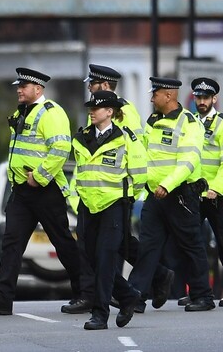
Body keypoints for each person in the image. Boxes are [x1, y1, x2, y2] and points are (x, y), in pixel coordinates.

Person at [62, 64, 174, 315]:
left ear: (103, 85)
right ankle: (152, 278)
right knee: (113, 247)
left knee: (111, 248)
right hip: (94, 196)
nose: (89, 88)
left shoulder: (124, 111)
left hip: (116, 194)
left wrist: (130, 193)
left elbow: (132, 149)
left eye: (92, 84)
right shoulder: (96, 113)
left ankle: (100, 296)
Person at [0, 67, 81, 315]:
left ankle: (86, 292)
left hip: (45, 190)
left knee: (63, 243)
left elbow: (61, 149)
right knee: (11, 243)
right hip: (22, 191)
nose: (19, 90)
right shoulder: (21, 112)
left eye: (23, 87)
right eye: (18, 87)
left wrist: (40, 176)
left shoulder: (51, 113)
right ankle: (2, 298)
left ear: (38, 89)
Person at [127, 77, 215, 312]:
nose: (151, 98)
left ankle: (202, 296)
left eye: (155, 93)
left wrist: (167, 185)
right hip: (155, 196)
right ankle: (136, 296)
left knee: (190, 246)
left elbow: (188, 161)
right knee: (148, 246)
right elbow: (145, 153)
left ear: (168, 95)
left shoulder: (189, 123)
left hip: (180, 195)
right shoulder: (153, 120)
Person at [71, 90, 147, 330]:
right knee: (92, 260)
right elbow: (79, 173)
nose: (91, 112)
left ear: (110, 112)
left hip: (114, 205)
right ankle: (127, 295)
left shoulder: (126, 139)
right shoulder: (81, 137)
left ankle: (100, 313)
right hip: (87, 206)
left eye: (96, 109)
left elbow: (140, 173)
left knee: (105, 259)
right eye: (90, 109)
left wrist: (128, 199)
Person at [191, 77, 223, 307]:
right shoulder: (190, 123)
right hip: (193, 193)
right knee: (191, 243)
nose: (201, 102)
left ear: (215, 99)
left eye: (206, 98)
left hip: (218, 195)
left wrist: (215, 189)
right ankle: (197, 290)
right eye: (198, 97)